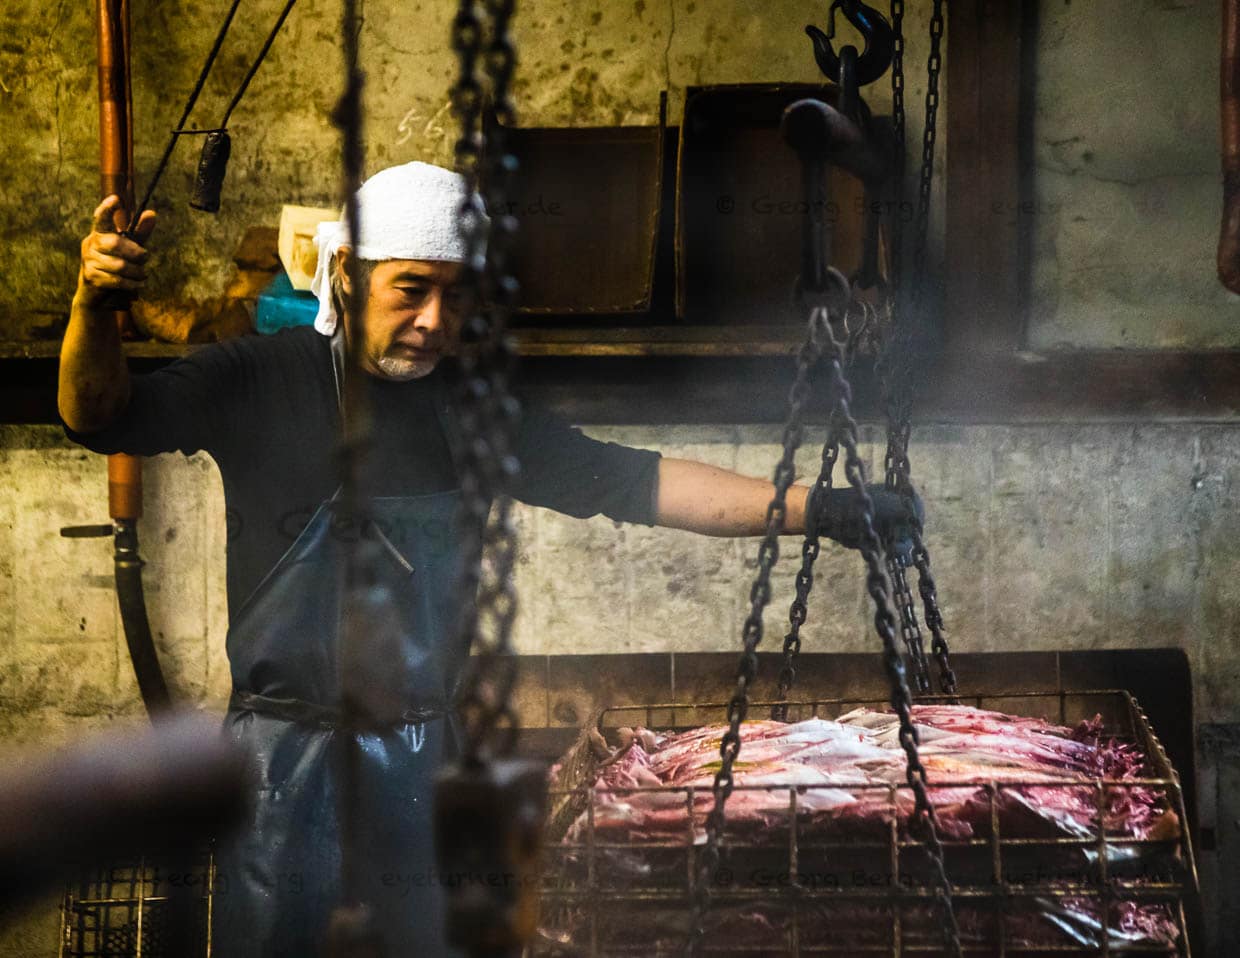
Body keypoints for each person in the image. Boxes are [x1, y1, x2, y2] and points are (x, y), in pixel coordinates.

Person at [59, 161, 922, 957]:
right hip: (284, 767)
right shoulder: (255, 379)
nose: (435, 322)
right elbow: (98, 416)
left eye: (457, 296)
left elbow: (638, 483)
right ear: (351, 273)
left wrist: (824, 507)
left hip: (426, 759)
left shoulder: (470, 413)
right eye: (410, 290)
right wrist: (94, 309)